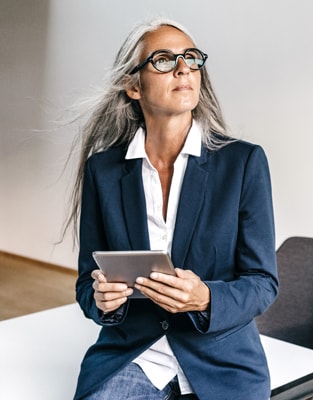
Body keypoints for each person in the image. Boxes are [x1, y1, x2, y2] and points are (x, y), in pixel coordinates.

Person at [66, 18, 278, 399]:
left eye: (191, 58)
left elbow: (263, 283)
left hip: (222, 363)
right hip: (133, 356)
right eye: (163, 60)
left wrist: (206, 299)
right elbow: (87, 283)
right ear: (133, 86)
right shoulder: (103, 170)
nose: (184, 68)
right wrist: (102, 302)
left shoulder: (243, 163)